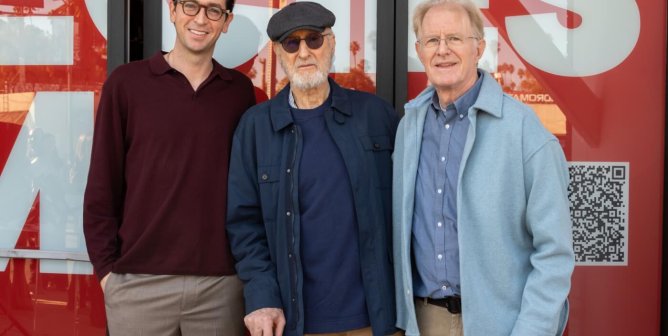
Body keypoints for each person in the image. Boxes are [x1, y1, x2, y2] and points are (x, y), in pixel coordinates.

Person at [392, 0, 575, 335]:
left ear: (479, 47)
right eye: (432, 40)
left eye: (455, 39)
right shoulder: (410, 127)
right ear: (419, 51)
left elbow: (554, 252)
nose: (443, 50)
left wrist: (531, 330)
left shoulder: (524, 132)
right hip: (424, 322)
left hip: (502, 324)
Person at [226, 2, 399, 336]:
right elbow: (244, 226)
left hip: (374, 321)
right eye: (292, 43)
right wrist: (262, 298)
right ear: (278, 52)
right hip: (296, 323)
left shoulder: (376, 116)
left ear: (331, 43)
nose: (304, 51)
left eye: (314, 40)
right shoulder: (256, 128)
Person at [83, 0, 255, 334]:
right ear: (173, 10)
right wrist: (108, 274)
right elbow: (102, 186)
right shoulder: (127, 84)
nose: (201, 19)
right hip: (138, 287)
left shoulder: (239, 93)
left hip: (219, 289)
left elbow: (248, 190)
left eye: (214, 11)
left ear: (226, 21)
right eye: (191, 6)